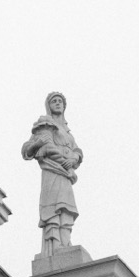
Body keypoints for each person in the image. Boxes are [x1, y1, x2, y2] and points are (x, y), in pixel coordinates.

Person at [21, 92, 83, 254]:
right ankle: (55, 245)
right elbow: (27, 150)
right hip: (52, 170)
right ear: (48, 105)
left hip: (66, 173)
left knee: (66, 208)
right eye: (54, 101)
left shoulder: (67, 131)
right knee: (53, 206)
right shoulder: (45, 124)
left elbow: (77, 149)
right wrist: (39, 145)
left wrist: (74, 159)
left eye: (60, 101)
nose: (57, 103)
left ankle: (65, 243)